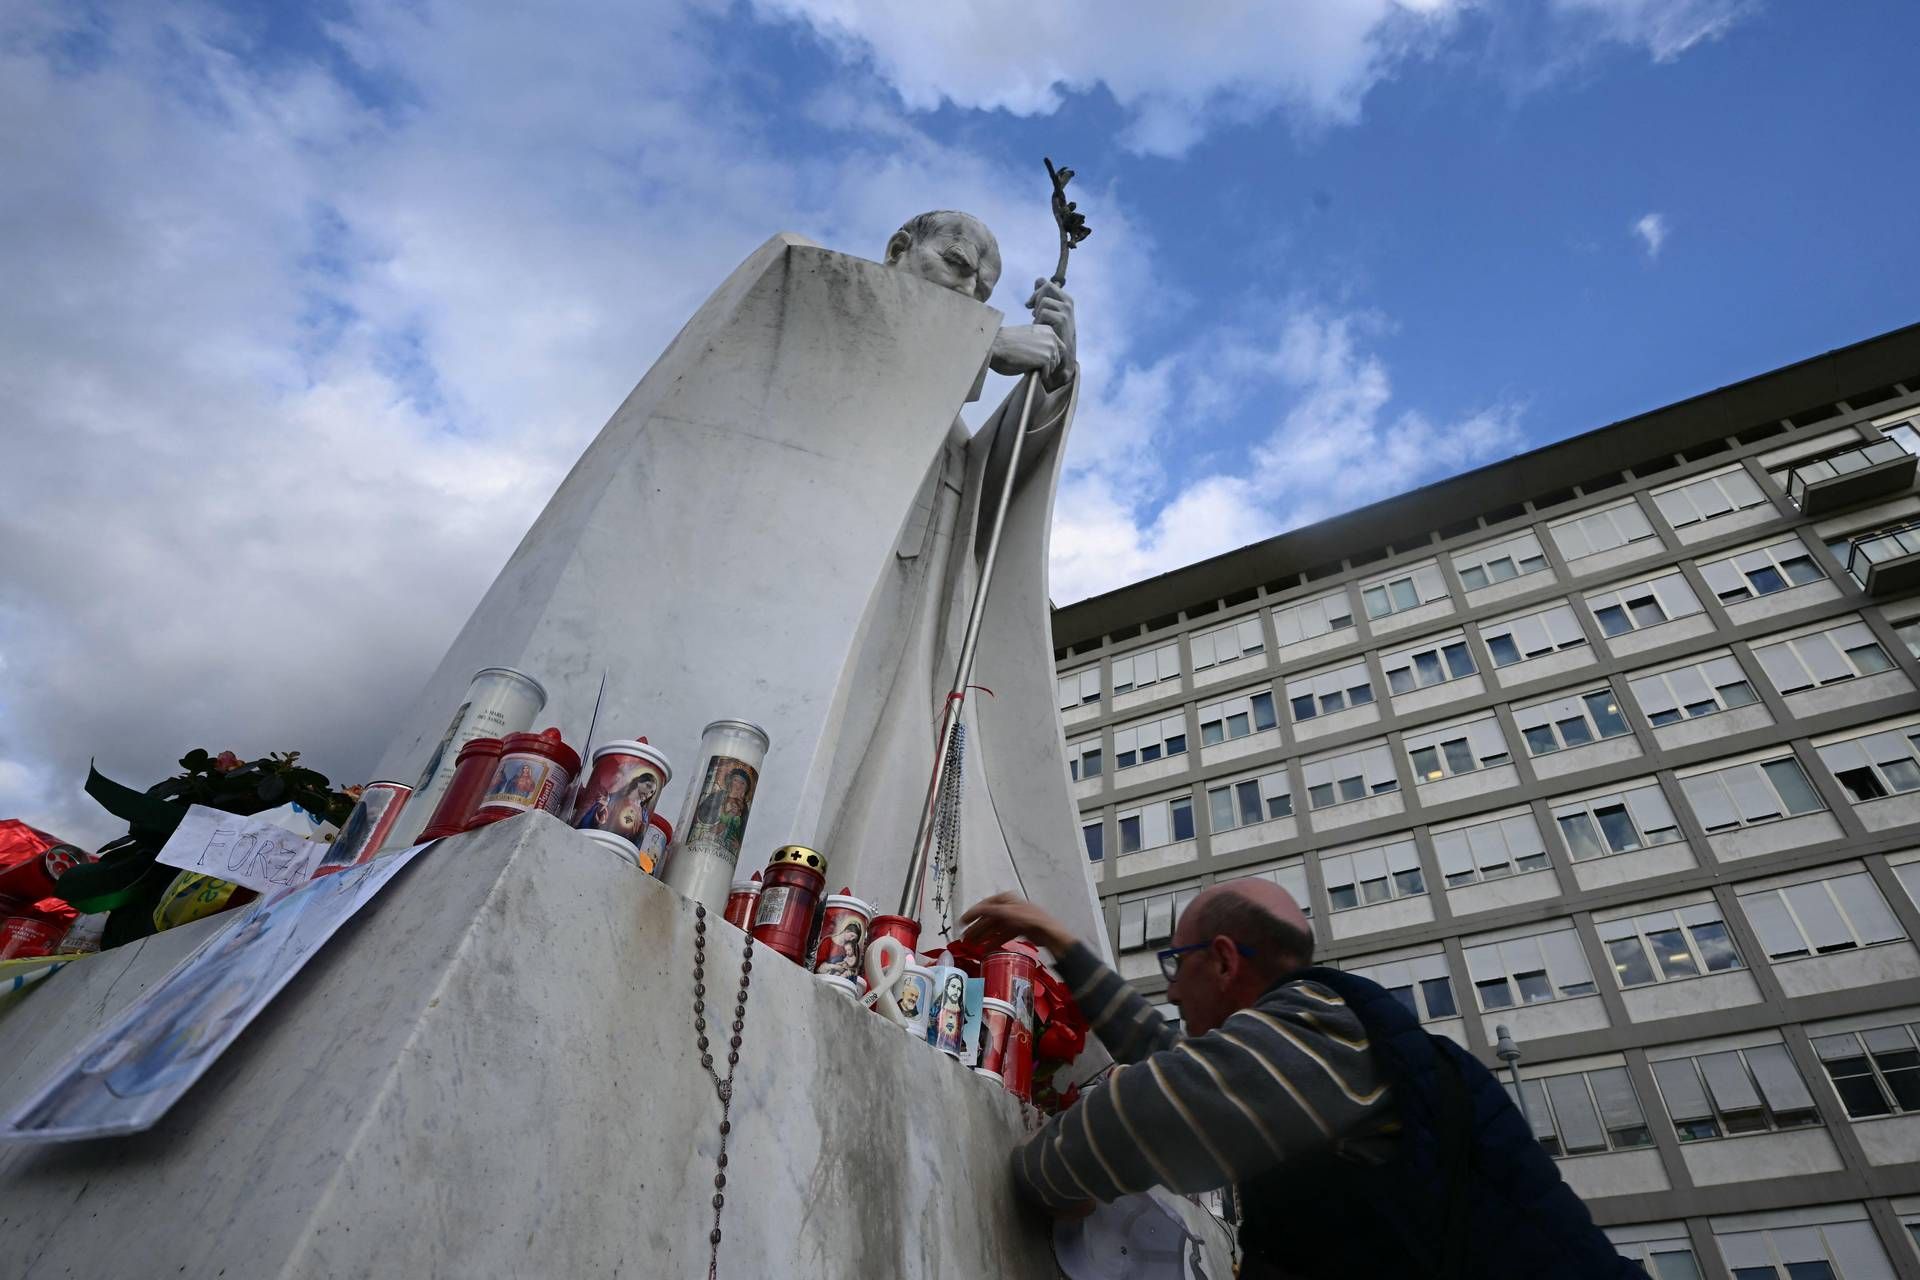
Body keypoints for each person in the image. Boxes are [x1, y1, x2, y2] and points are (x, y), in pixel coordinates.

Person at [959, 882, 1644, 1280]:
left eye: (1176, 964)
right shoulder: (1324, 1040)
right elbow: (1170, 1054)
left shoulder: (1313, 1036)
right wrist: (1062, 942)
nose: (1171, 989)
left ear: (1222, 961)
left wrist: (1053, 1179)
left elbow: (1105, 1137)